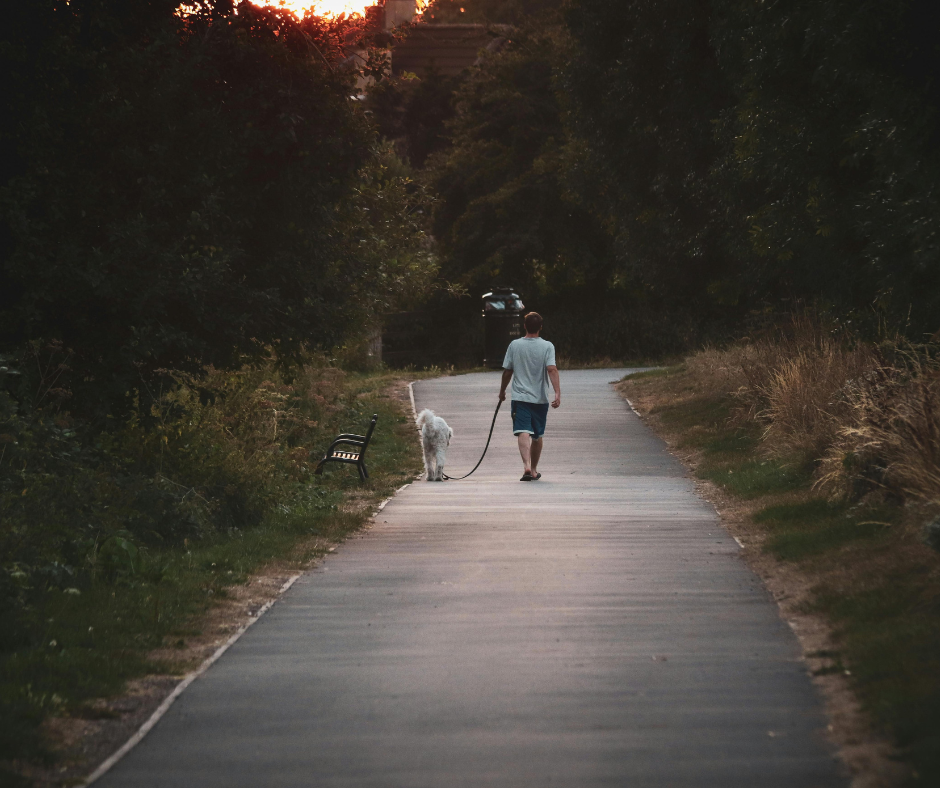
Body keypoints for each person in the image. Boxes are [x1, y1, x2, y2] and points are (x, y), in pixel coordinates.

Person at [498, 312, 561, 481]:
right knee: (537, 435)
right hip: (540, 398)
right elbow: (552, 369)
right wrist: (557, 392)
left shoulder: (514, 345)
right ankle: (533, 469)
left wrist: (502, 391)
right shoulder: (547, 346)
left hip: (520, 398)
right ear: (541, 327)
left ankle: (526, 465)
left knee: (523, 430)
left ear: (524, 326)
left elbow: (507, 371)